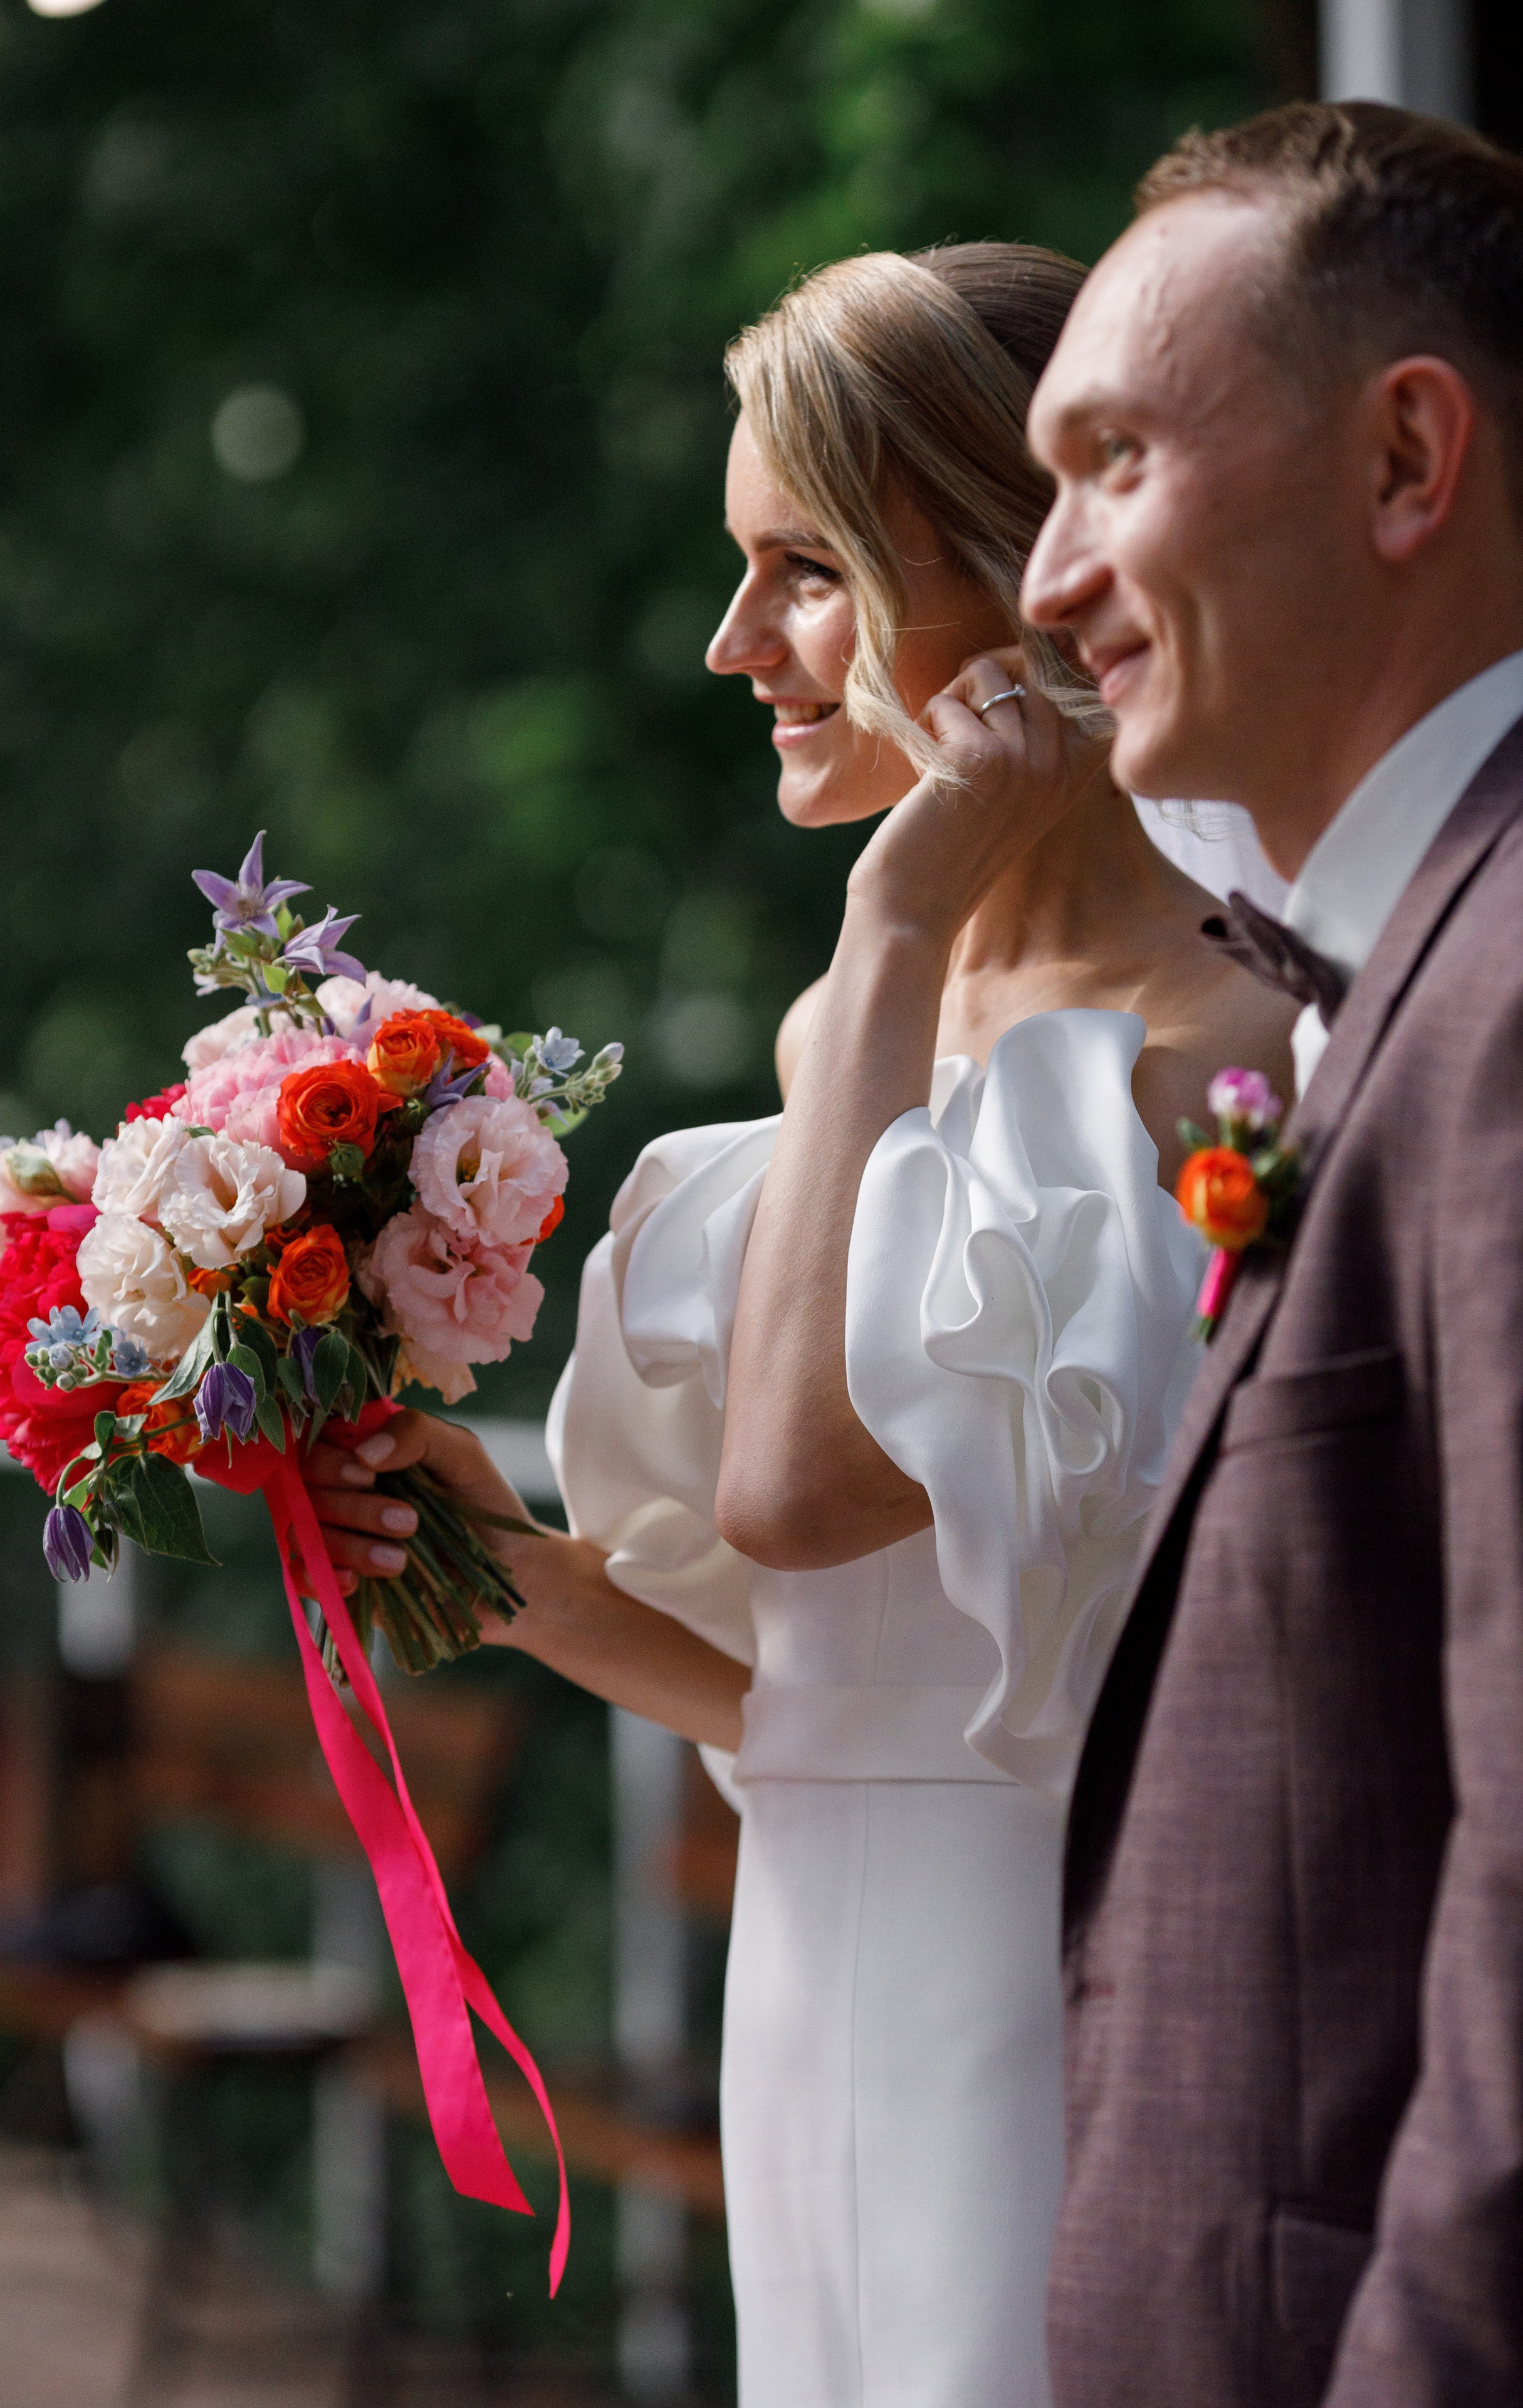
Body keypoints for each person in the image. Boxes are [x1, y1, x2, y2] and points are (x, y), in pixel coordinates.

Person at [306, 244, 1292, 2406]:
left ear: (1017, 574)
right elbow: (817, 1707)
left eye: (804, 570)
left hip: (1051, 2007)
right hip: (812, 1988)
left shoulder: (1233, 1041)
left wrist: (901, 906)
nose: (734, 642)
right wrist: (527, 1584)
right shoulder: (870, 1019)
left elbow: (786, 1482)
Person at [1015, 100, 1523, 2408]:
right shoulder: (1398, 965)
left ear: (1409, 460)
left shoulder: (1512, 996)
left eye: (1112, 460)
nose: (1044, 579)